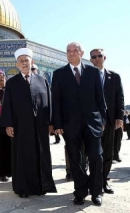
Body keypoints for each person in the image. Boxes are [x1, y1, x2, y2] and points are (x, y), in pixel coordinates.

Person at [52, 42, 107, 206]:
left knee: (96, 156)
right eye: (68, 51)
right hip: (70, 125)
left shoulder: (93, 72)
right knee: (75, 161)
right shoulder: (59, 74)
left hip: (92, 123)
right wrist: (57, 123)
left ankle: (96, 192)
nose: (71, 53)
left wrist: (103, 120)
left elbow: (100, 98)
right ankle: (81, 191)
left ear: (81, 53)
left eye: (75, 50)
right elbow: (56, 101)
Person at [0, 48, 56, 198]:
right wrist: (8, 124)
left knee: (41, 155)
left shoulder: (42, 80)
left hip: (40, 127)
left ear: (32, 62)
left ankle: (41, 186)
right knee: (23, 157)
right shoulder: (12, 83)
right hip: (21, 127)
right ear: (17, 64)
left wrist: (51, 122)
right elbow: (7, 106)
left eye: (26, 60)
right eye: (21, 61)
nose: (24, 63)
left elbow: (49, 102)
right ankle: (23, 188)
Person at [89, 48, 124, 194]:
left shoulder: (114, 77)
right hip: (92, 121)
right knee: (94, 153)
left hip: (109, 121)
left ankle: (104, 181)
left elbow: (119, 98)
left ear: (105, 58)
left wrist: (119, 117)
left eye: (99, 56)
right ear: (90, 59)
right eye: (93, 57)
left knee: (108, 152)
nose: (96, 59)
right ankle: (94, 181)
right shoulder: (86, 76)